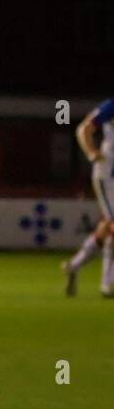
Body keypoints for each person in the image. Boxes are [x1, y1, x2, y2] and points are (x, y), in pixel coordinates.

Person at [63, 100, 114, 296]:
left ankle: (74, 266)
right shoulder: (111, 107)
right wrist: (91, 152)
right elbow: (84, 128)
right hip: (106, 176)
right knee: (112, 226)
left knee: (106, 228)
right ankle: (107, 285)